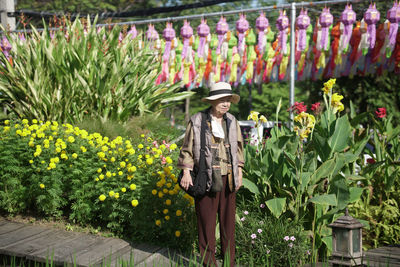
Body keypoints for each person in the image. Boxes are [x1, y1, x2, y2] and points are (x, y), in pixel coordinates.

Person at [178, 82, 244, 267]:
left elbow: (238, 150)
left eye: (228, 100)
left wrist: (239, 173)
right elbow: (187, 149)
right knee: (206, 223)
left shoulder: (232, 121)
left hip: (228, 177)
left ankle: (229, 263)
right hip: (205, 177)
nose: (225, 103)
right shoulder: (197, 120)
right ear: (213, 101)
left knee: (228, 224)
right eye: (221, 99)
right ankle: (209, 263)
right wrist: (186, 172)